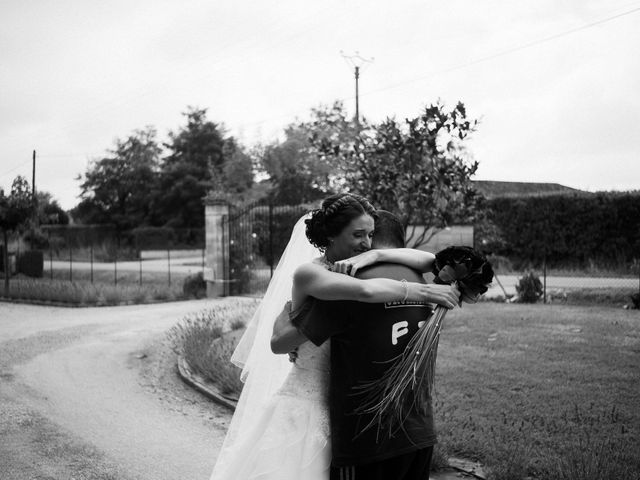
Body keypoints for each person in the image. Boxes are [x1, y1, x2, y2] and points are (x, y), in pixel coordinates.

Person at [210, 194, 458, 480]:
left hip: (345, 406)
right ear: (330, 235)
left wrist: (378, 254)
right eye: (358, 235)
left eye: (371, 234)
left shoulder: (362, 265)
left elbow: (431, 260)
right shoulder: (311, 274)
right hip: (308, 404)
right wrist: (426, 292)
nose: (367, 243)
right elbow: (363, 293)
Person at [273, 210, 446, 480]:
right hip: (419, 432)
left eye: (366, 236)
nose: (361, 244)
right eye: (357, 235)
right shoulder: (421, 279)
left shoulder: (348, 286)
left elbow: (282, 341)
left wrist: (293, 309)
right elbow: (440, 261)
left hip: (365, 442)